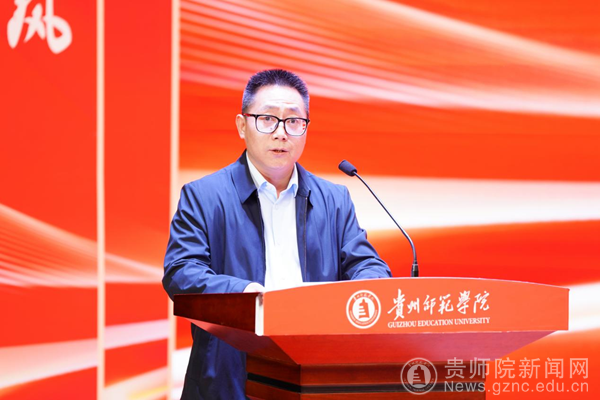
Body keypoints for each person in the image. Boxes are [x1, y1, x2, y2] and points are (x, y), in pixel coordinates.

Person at [163, 69, 391, 399]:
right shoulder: (203, 196)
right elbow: (182, 273)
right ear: (242, 125)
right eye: (267, 119)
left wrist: (356, 297)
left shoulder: (334, 199)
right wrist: (247, 296)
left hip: (315, 375)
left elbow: (368, 266)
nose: (281, 133)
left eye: (294, 121)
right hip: (230, 377)